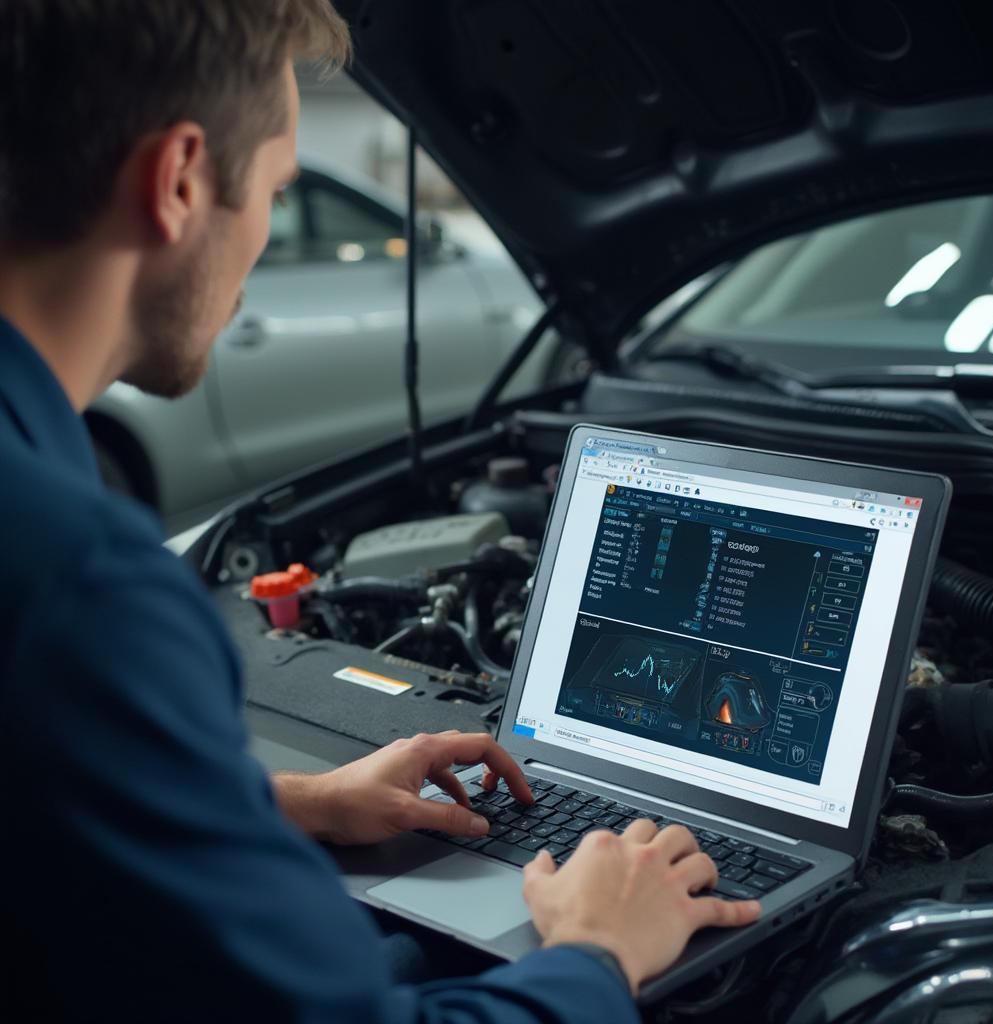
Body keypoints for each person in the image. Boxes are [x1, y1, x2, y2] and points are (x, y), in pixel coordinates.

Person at [0, 2, 760, 1020]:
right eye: (273, 190)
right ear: (179, 180)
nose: (263, 239)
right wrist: (596, 951)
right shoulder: (80, 590)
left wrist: (289, 803)